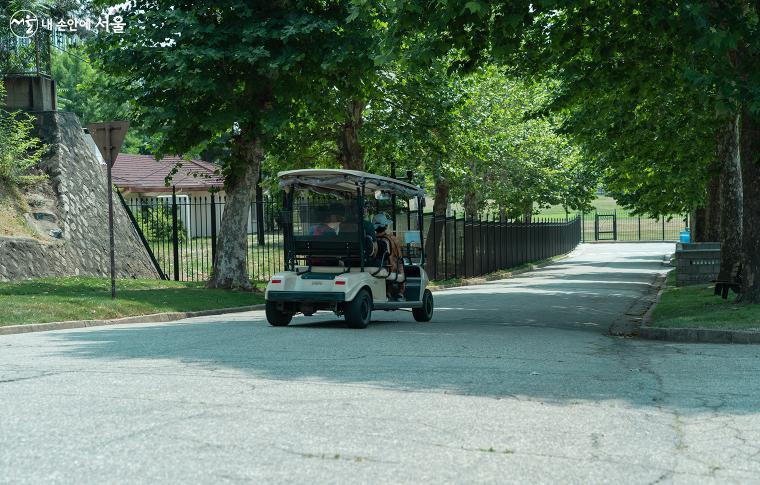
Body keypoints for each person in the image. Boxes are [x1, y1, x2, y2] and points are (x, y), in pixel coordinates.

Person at [373, 212, 406, 301]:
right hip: (389, 267)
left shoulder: (371, 238)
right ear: (385, 226)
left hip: (375, 265)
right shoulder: (391, 238)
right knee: (400, 264)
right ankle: (400, 293)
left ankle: (388, 292)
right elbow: (399, 255)